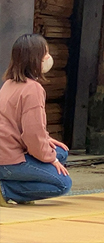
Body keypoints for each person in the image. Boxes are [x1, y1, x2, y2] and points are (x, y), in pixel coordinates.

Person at [0, 33, 72, 206]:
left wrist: (47, 142)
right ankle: (5, 189)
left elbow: (23, 126)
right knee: (63, 183)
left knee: (61, 152)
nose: (48, 58)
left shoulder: (9, 83)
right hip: (8, 159)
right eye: (44, 54)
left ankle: (14, 182)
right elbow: (32, 134)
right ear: (34, 59)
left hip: (7, 150)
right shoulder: (33, 89)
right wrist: (51, 159)